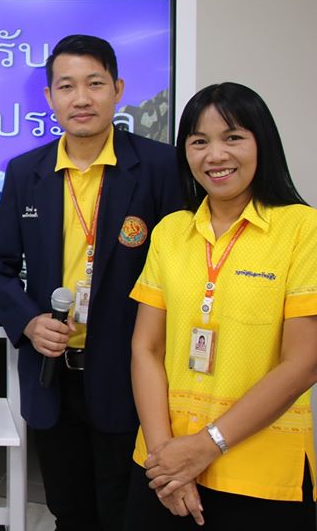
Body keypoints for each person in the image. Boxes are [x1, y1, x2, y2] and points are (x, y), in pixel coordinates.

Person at [0, 34, 181, 530]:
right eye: (66, 86)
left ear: (118, 89)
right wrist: (29, 323)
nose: (81, 98)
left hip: (130, 374)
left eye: (95, 84)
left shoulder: (160, 166)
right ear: (49, 98)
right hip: (53, 375)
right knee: (69, 510)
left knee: (127, 510)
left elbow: (183, 269)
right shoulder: (26, 172)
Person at [125, 82, 317, 529]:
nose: (215, 155)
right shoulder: (170, 232)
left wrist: (204, 447)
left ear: (262, 143)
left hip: (259, 474)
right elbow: (146, 348)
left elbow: (305, 362)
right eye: (199, 142)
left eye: (233, 137)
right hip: (161, 464)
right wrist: (167, 459)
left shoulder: (302, 229)